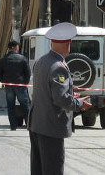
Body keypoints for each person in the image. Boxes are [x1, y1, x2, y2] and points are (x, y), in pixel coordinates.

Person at [28, 22, 92, 175]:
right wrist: (79, 103)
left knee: (39, 169)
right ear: (68, 44)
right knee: (53, 169)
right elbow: (60, 98)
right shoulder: (59, 66)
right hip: (51, 126)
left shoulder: (42, 61)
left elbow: (47, 91)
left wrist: (71, 96)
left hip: (37, 123)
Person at [0, 40, 31, 131]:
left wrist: (4, 81)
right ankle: (29, 124)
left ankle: (13, 125)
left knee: (10, 105)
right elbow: (28, 72)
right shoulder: (22, 58)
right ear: (16, 47)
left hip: (8, 85)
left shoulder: (4, 59)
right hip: (20, 84)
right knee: (25, 104)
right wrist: (25, 83)